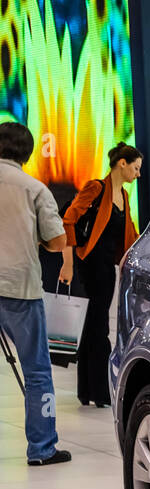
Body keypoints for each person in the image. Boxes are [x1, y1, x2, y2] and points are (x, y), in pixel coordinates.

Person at [0, 122, 72, 465]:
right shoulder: (34, 188)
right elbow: (58, 241)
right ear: (27, 154)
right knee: (37, 371)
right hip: (20, 289)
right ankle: (42, 449)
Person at [60, 142, 141, 407]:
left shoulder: (125, 197)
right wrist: (68, 263)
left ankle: (88, 391)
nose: (138, 174)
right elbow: (68, 220)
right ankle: (101, 392)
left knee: (94, 326)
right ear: (122, 164)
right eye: (136, 167)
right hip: (91, 266)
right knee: (99, 326)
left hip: (107, 267)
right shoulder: (97, 188)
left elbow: (130, 234)